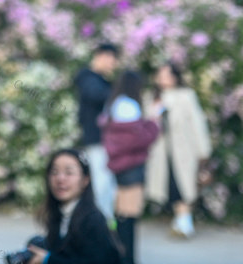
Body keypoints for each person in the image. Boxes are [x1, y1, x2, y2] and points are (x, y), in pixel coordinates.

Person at [144, 61, 212, 238]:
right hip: (161, 153)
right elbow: (147, 124)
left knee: (185, 185)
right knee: (170, 185)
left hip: (184, 150)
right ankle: (182, 220)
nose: (163, 79)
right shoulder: (152, 98)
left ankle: (184, 222)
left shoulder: (186, 95)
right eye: (161, 75)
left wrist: (203, 151)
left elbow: (197, 124)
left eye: (167, 75)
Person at [98, 71, 159, 264]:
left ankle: (120, 257)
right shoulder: (130, 106)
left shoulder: (113, 103)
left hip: (120, 168)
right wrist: (153, 123)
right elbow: (137, 138)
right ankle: (126, 259)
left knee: (121, 217)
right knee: (129, 218)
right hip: (132, 168)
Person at [24, 148, 122, 264]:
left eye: (69, 173)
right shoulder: (60, 215)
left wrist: (47, 259)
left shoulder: (93, 220)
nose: (60, 179)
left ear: (85, 180)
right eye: (54, 172)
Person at [74, 43, 119, 223]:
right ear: (100, 56)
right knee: (101, 183)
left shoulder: (98, 80)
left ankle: (106, 222)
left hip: (105, 140)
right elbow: (98, 96)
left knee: (107, 184)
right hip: (97, 139)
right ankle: (99, 223)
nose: (112, 64)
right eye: (111, 59)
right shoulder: (89, 79)